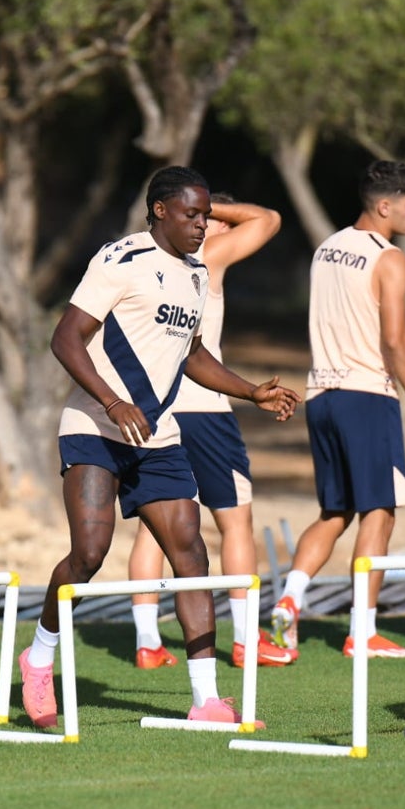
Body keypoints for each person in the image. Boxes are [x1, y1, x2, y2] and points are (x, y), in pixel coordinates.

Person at [18, 166, 299, 728]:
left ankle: (206, 700)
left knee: (191, 555)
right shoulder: (120, 259)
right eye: (193, 215)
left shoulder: (196, 274)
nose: (204, 225)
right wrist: (112, 401)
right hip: (95, 426)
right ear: (161, 211)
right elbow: (65, 337)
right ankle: (39, 657)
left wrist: (250, 391)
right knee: (90, 555)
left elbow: (192, 356)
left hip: (158, 434)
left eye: (207, 215)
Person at [125, 194, 297, 670]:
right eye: (201, 218)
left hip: (154, 410)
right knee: (235, 523)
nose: (210, 227)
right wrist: (218, 205)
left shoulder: (144, 261)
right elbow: (269, 216)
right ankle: (245, 640)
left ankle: (147, 643)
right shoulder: (204, 257)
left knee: (152, 530)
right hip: (204, 411)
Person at [270, 160, 405, 659]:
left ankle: (288, 603)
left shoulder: (327, 249)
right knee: (379, 514)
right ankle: (362, 632)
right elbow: (395, 339)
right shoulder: (389, 258)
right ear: (384, 207)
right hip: (367, 395)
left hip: (321, 395)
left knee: (334, 512)